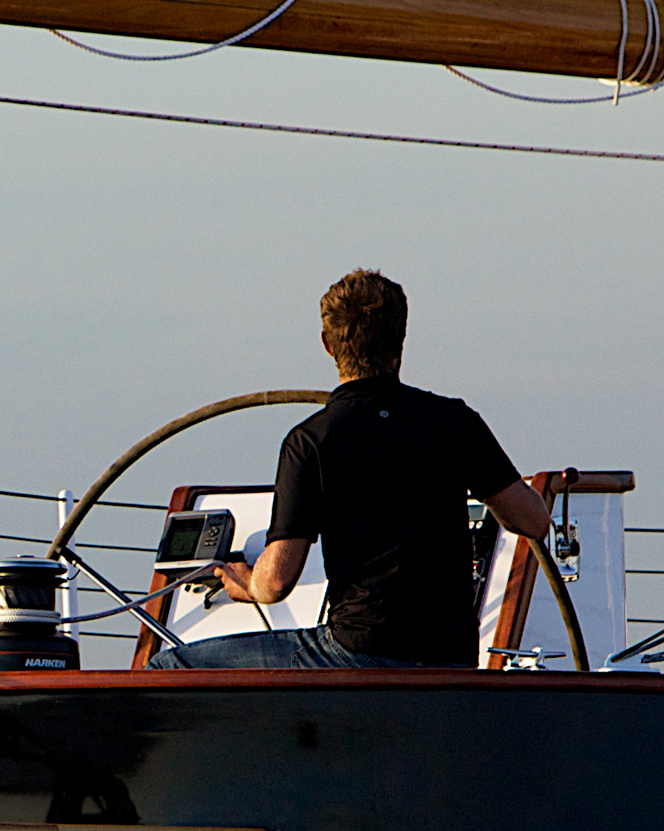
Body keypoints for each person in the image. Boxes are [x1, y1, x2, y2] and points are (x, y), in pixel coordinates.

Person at [149, 269, 553, 669]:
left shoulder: (312, 441)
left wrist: (245, 582)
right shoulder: (456, 423)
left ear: (327, 344)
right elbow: (534, 521)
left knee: (170, 668)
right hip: (450, 658)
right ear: (401, 339)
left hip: (358, 652)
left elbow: (275, 584)